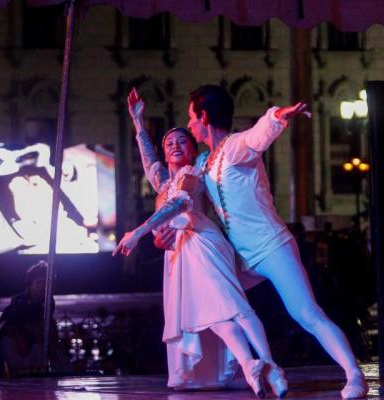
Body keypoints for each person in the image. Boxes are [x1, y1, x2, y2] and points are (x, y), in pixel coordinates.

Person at [154, 85, 368, 398]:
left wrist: (278, 116)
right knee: (213, 297)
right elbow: (181, 195)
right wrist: (167, 233)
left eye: (191, 118)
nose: (188, 125)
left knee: (306, 313)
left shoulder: (235, 147)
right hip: (240, 257)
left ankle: (354, 375)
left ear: (204, 117)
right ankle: (259, 367)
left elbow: (258, 136)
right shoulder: (204, 162)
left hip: (271, 247)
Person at [113, 88, 285, 397]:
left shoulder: (193, 173)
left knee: (232, 308)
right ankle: (244, 366)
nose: (175, 146)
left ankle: (266, 367)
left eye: (182, 141)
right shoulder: (163, 181)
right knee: (211, 315)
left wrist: (139, 232)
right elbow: (149, 160)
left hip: (202, 243)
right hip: (180, 257)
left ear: (193, 150)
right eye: (169, 143)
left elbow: (180, 203)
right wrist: (138, 122)